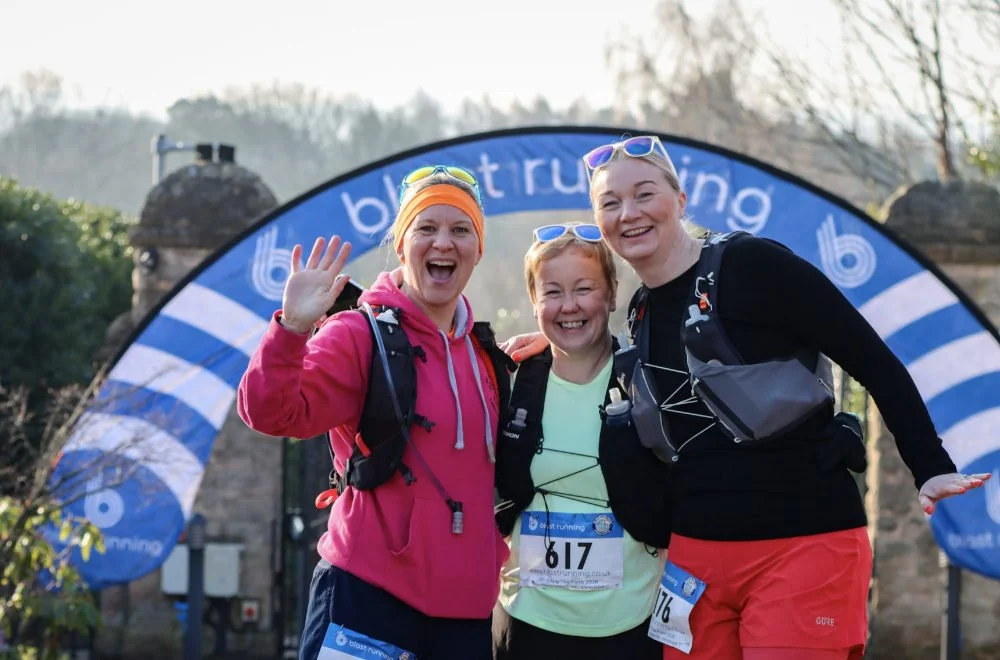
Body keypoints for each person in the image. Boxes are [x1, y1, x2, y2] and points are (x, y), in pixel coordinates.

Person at [502, 136, 992, 660]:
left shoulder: (752, 264)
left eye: (644, 194)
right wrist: (553, 345)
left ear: (680, 199)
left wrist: (928, 464)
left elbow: (871, 358)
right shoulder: (641, 310)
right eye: (610, 203)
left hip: (800, 542)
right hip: (695, 563)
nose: (629, 213)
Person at [237, 165, 510, 660]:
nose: (443, 242)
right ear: (401, 244)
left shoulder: (485, 356)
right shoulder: (358, 335)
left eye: (460, 229)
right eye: (426, 228)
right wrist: (291, 329)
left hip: (464, 617)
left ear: (478, 250)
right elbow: (269, 412)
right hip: (366, 602)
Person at [491, 223, 664, 660]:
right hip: (525, 625)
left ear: (611, 294)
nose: (569, 306)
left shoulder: (647, 382)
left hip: (629, 627)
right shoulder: (508, 384)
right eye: (552, 292)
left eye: (584, 289)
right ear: (534, 301)